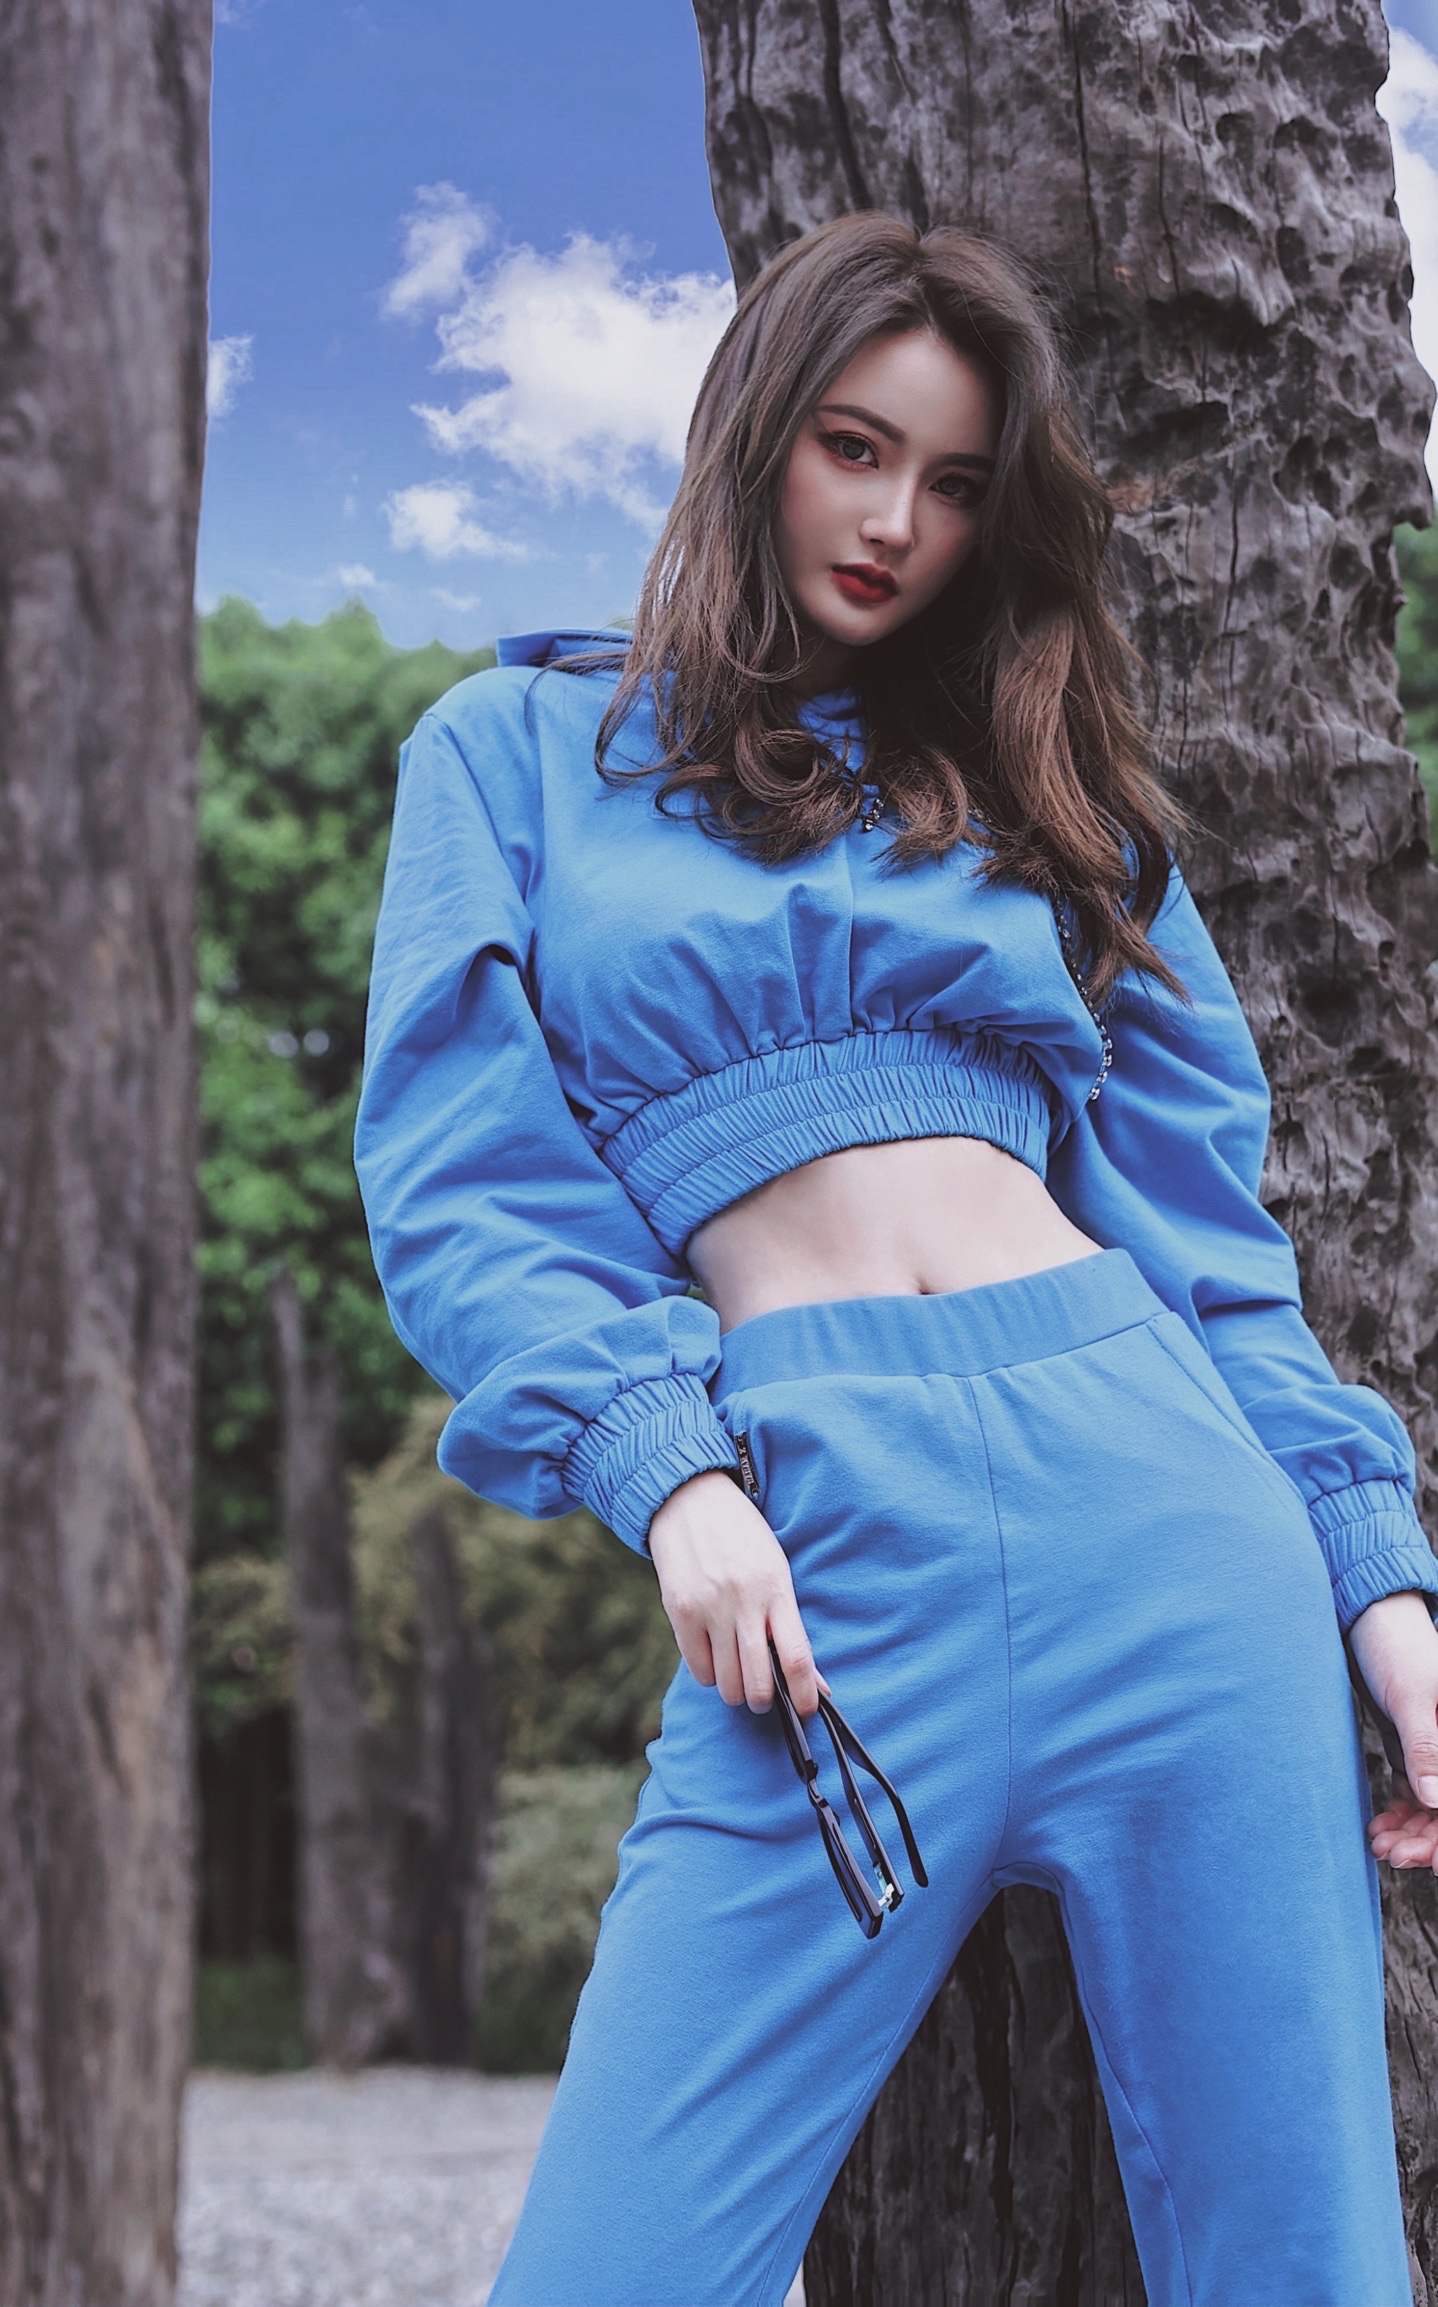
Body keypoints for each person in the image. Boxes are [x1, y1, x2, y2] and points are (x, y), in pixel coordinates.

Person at [355, 213, 1438, 2307]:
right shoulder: (512, 753)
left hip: (1165, 1528)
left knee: (1299, 2263)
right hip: (818, 1557)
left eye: (950, 483)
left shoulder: (1050, 797)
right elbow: (463, 1173)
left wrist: (1375, 1585)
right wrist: (669, 1475)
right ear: (750, 432)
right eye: (850, 448)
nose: (892, 524)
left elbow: (1213, 1256)